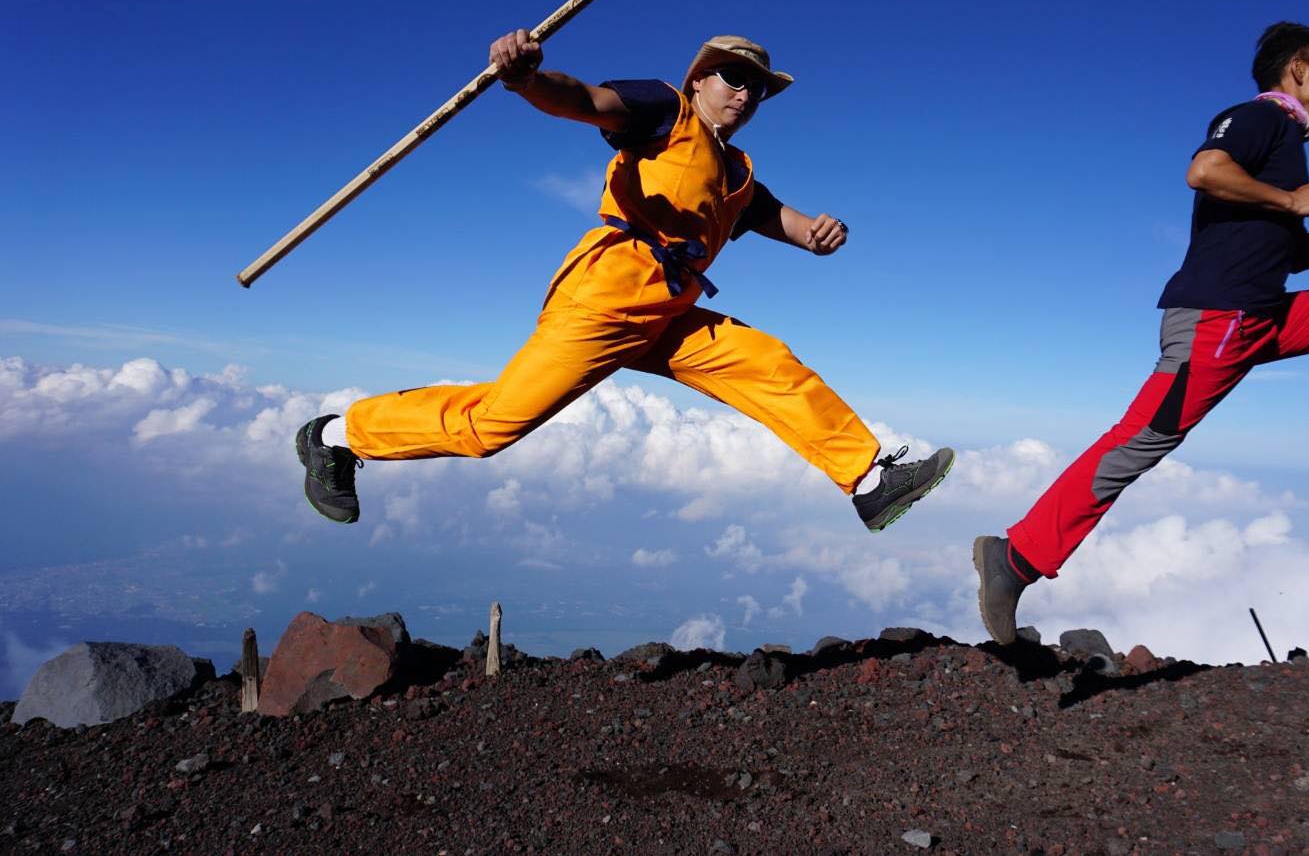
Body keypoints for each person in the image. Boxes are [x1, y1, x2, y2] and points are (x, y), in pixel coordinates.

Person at [295, 30, 955, 535]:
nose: (745, 93)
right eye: (734, 77)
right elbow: (583, 100)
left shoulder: (738, 174)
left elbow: (794, 226)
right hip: (611, 287)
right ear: (699, 78)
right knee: (493, 426)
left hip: (669, 305)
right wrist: (526, 78)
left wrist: (822, 232)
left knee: (764, 361)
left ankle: (869, 480)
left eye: (757, 88)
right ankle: (335, 435)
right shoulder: (663, 110)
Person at [973, 22, 1309, 644]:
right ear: (1298, 70)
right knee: (1137, 443)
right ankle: (1013, 559)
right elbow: (1206, 169)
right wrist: (1290, 201)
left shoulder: (1287, 149)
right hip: (1217, 321)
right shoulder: (1260, 118)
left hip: (1260, 315)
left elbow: (1298, 256)